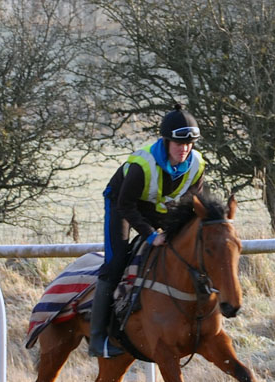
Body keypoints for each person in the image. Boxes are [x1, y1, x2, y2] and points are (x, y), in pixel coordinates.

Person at [89, 103, 208, 358]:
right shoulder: (142, 164)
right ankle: (97, 338)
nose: (184, 149)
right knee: (115, 262)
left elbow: (190, 206)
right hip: (121, 203)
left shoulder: (197, 165)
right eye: (179, 143)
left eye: (189, 144)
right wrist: (151, 235)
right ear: (166, 141)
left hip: (157, 205)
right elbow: (126, 205)